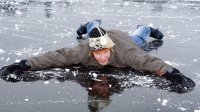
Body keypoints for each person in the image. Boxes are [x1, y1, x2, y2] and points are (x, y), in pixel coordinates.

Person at [0, 19, 195, 93]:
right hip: (97, 35)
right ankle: (91, 23)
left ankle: (145, 27)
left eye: (105, 52)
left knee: (139, 38)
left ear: (109, 49)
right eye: (97, 53)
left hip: (124, 39)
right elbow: (55, 56)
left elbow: (150, 61)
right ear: (92, 51)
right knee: (94, 28)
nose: (102, 57)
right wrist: (24, 64)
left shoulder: (126, 54)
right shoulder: (84, 50)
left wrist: (172, 73)